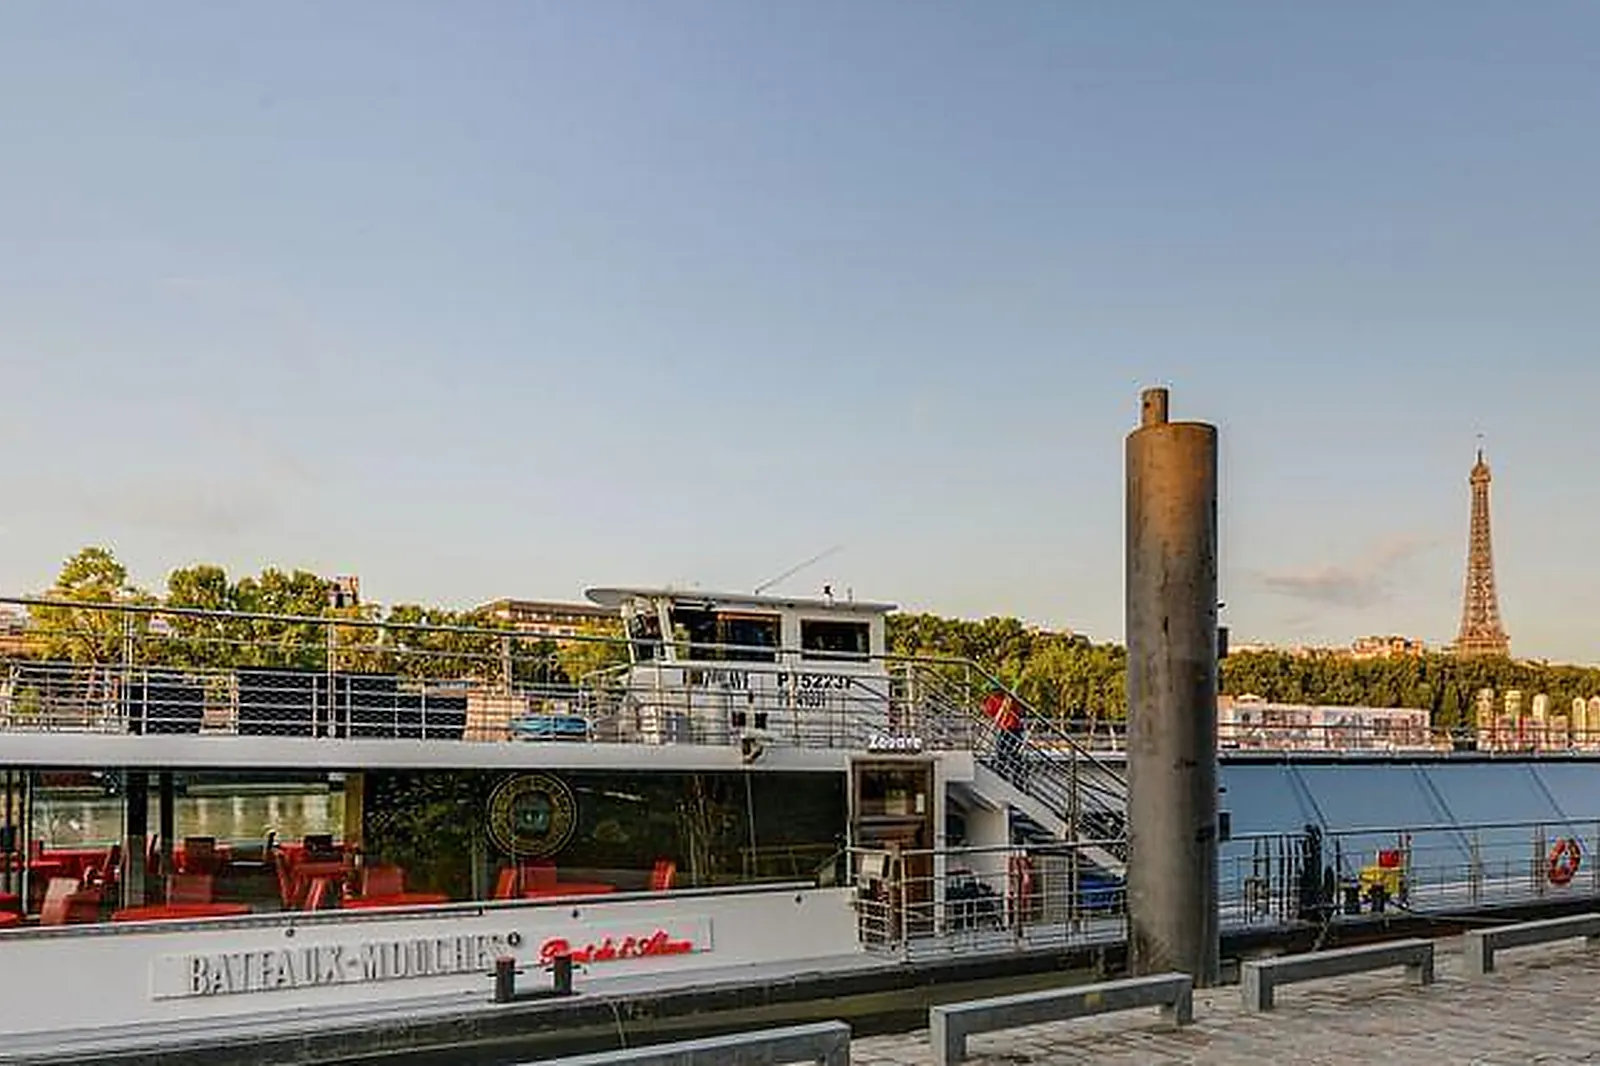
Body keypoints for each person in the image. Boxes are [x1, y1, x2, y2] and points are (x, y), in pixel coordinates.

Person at [981, 688, 1027, 787]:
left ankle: (1010, 778)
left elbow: (1021, 712)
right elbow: (990, 712)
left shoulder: (1004, 699)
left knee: (1007, 754)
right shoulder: (996, 699)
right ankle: (1010, 778)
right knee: (1008, 754)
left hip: (1010, 728)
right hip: (1009, 728)